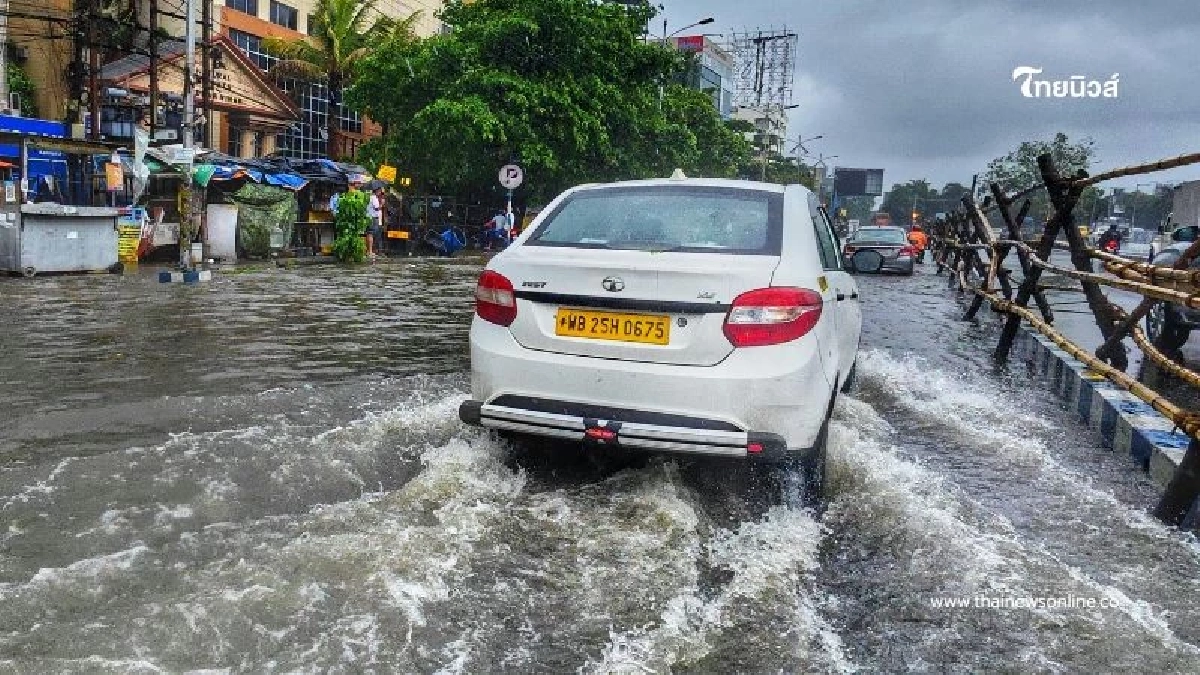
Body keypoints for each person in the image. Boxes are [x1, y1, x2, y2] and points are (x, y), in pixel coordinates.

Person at [367, 187, 385, 259]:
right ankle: (370, 251)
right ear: (377, 191)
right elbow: (377, 208)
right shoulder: (374, 198)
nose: (380, 192)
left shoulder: (370, 197)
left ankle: (369, 251)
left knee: (369, 233)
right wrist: (382, 204)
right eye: (380, 191)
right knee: (371, 234)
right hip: (373, 218)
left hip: (370, 217)